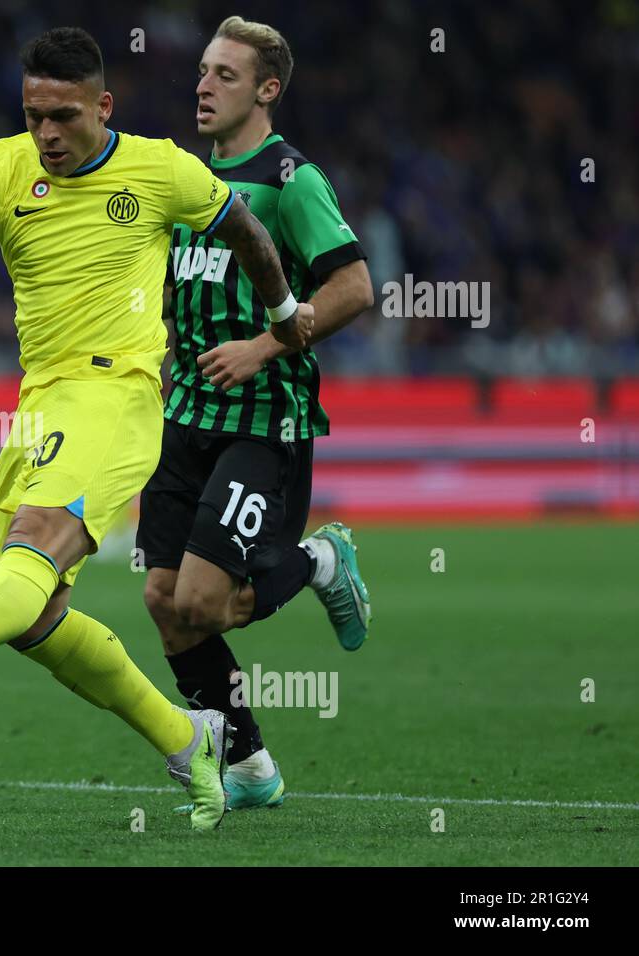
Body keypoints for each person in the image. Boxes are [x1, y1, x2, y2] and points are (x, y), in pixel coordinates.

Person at [0, 26, 312, 832]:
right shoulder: (3, 166)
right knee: (31, 616)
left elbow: (246, 229)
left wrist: (281, 316)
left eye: (64, 116)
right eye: (35, 115)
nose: (48, 134)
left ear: (102, 106)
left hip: (117, 399)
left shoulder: (161, 169)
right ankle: (188, 740)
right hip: (38, 410)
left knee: (35, 545)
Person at [138, 15, 375, 813]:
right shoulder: (186, 183)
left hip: (262, 419)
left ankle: (318, 562)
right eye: (203, 71)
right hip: (185, 414)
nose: (204, 86)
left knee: (207, 602)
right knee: (165, 603)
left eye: (225, 76)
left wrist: (265, 347)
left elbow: (352, 288)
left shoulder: (291, 180)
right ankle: (249, 769)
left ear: (267, 91)